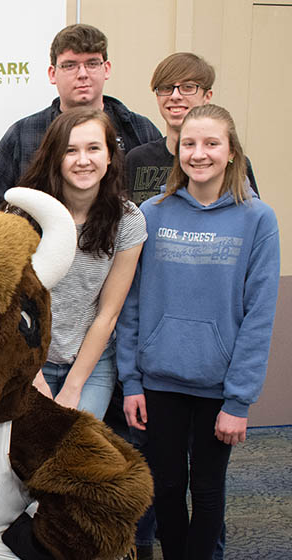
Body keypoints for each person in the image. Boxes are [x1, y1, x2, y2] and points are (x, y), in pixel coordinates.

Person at [117, 104, 279, 560]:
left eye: (212, 144)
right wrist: (131, 382)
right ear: (178, 151)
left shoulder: (258, 220)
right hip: (158, 382)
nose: (199, 153)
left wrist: (238, 401)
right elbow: (132, 302)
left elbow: (259, 314)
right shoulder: (152, 212)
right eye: (189, 144)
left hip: (217, 389)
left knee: (207, 494)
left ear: (231, 153)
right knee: (165, 489)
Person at [15, 108, 145, 421]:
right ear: (54, 157)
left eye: (93, 148)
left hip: (91, 363)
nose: (83, 160)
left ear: (110, 156)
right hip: (29, 359)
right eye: (70, 150)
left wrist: (73, 387)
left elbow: (108, 313)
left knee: (74, 452)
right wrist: (35, 379)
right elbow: (14, 308)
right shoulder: (22, 215)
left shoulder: (128, 221)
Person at [0, 23, 161, 210]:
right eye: (70, 65)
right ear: (53, 73)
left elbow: (166, 203)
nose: (83, 74)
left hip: (122, 239)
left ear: (107, 69)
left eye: (92, 63)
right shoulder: (23, 134)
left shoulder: (139, 129)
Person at [125, 52, 258, 205]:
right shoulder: (137, 159)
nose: (175, 96)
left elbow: (249, 216)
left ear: (207, 96)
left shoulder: (229, 163)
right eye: (166, 88)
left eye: (187, 87)